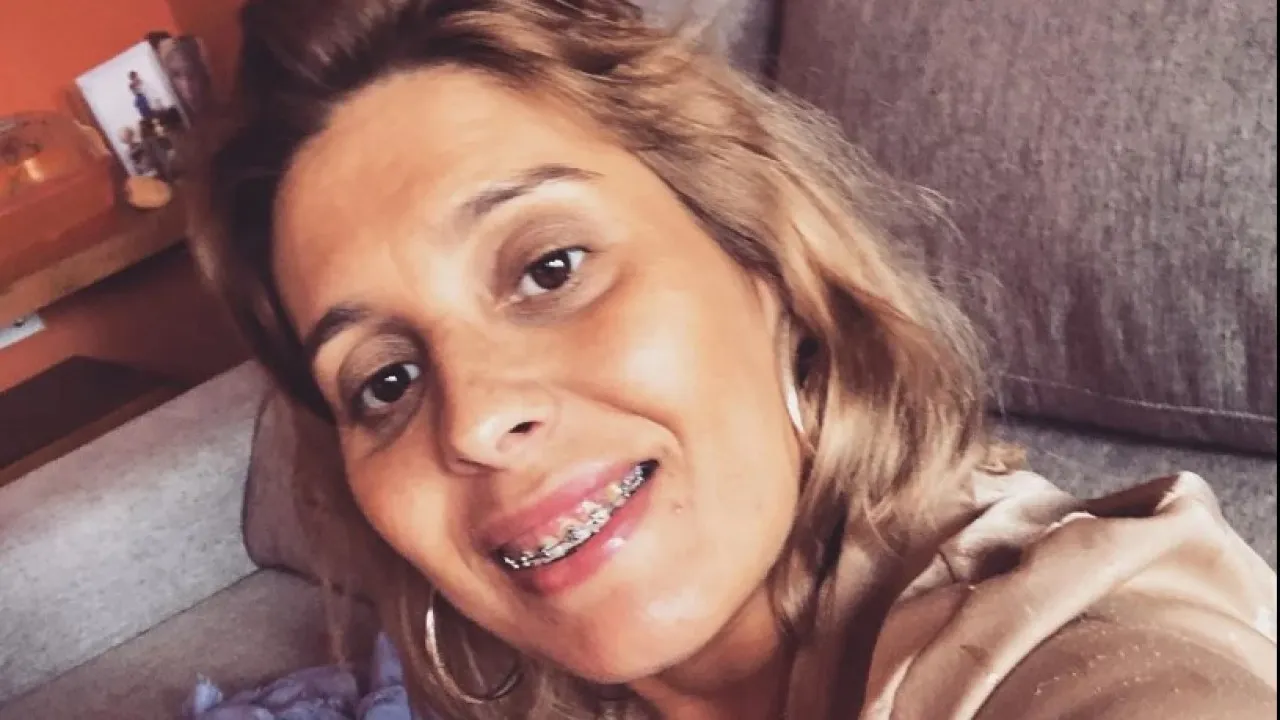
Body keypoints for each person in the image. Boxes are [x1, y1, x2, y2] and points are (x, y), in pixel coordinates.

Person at [194, 1, 1278, 718]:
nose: (473, 420)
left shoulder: (1059, 649)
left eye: (550, 268)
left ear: (761, 260)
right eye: (385, 381)